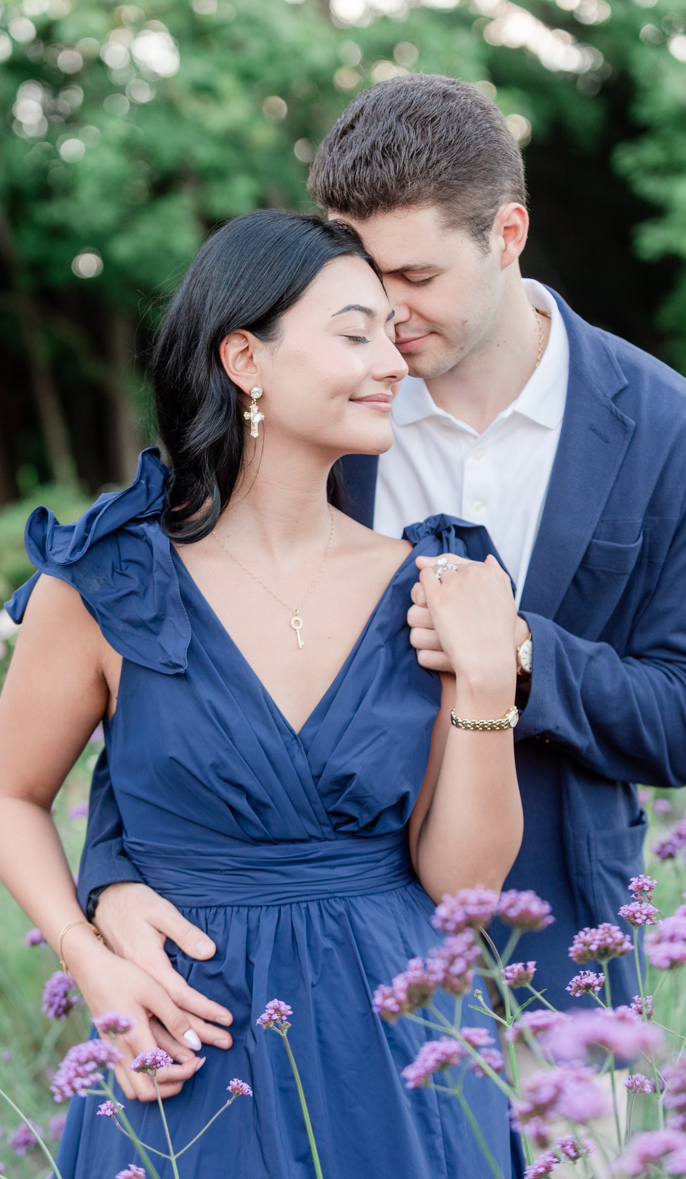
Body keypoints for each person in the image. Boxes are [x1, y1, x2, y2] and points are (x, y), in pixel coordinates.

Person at [79, 75, 686, 1039]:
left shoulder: (665, 427)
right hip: (290, 978)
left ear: (508, 235)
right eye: (362, 277)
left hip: (562, 955)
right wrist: (110, 874)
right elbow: (166, 662)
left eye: (416, 279)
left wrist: (518, 654)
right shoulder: (306, 404)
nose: (387, 315)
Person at [0, 211, 522, 1178]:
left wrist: (485, 681)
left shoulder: (435, 581)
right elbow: (9, 795)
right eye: (354, 332)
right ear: (245, 359)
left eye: (394, 334)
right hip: (188, 1048)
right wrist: (87, 955)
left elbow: (463, 893)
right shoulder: (108, 580)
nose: (391, 361)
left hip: (404, 1047)